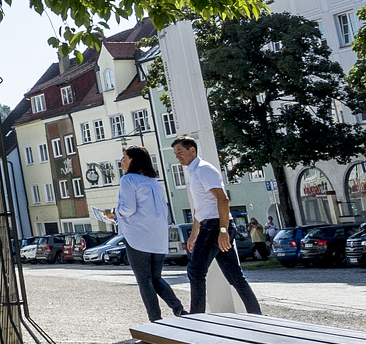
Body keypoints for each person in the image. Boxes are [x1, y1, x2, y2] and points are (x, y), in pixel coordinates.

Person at [171, 136, 262, 315]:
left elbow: (223, 199)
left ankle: (196, 317)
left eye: (180, 152)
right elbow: (201, 206)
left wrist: (223, 230)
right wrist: (194, 232)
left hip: (215, 226)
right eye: (175, 154)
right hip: (211, 224)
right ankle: (256, 314)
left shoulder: (204, 169)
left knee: (195, 271)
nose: (177, 157)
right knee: (234, 276)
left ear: (192, 150)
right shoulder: (193, 171)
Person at [99, 146, 184, 322]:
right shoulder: (154, 182)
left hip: (138, 237)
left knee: (144, 280)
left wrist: (112, 212)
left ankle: (156, 319)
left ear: (133, 161)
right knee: (156, 278)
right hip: (158, 236)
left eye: (124, 158)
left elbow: (128, 209)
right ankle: (178, 309)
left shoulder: (128, 179)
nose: (121, 161)